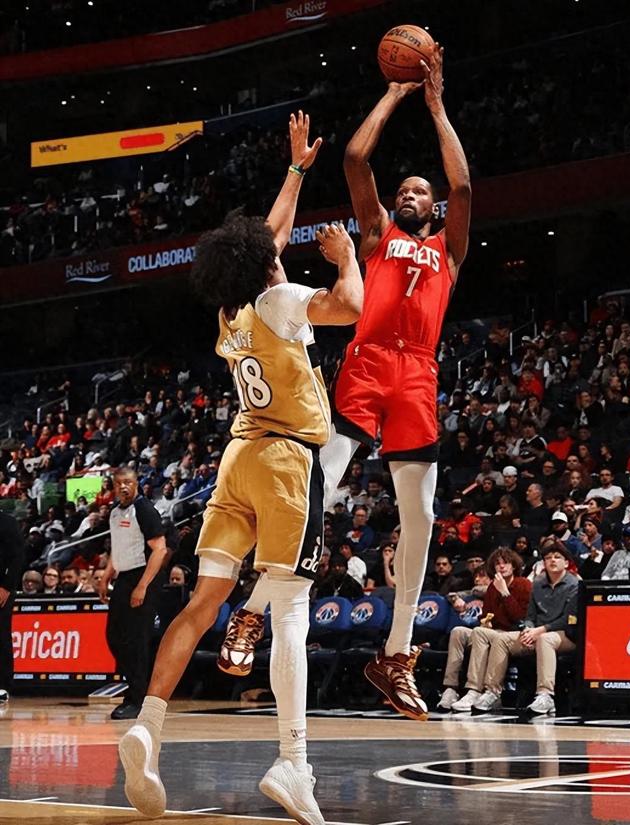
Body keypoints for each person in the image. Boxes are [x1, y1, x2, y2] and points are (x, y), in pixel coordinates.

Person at [119, 111, 362, 825]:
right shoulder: (283, 299)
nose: (277, 250)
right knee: (291, 610)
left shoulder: (232, 311)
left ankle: (149, 725)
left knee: (202, 604)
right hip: (287, 461)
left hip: (237, 460)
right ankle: (292, 761)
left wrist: (295, 171)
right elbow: (349, 305)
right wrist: (347, 256)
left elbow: (267, 238)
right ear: (265, 267)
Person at [225, 44, 471, 724]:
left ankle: (395, 656)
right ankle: (252, 610)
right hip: (368, 362)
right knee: (321, 486)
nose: (410, 195)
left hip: (418, 372)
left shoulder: (449, 248)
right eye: (404, 190)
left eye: (420, 191)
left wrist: (436, 107)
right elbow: (357, 159)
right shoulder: (376, 234)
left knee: (421, 516)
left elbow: (464, 188)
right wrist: (394, 93)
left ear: (435, 208)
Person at [475, 542, 579, 716]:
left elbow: (567, 620)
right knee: (501, 639)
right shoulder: (537, 584)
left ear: (566, 563)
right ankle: (492, 692)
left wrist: (539, 631)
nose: (552, 560)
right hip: (536, 632)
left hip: (565, 634)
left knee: (546, 639)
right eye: (548, 558)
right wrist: (528, 630)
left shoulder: (574, 584)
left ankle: (546, 695)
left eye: (557, 557)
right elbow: (530, 616)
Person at [100, 468, 167, 721]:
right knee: (115, 636)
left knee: (136, 639)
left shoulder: (144, 509)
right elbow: (118, 548)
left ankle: (138, 699)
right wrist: (107, 575)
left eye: (127, 482)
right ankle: (137, 687)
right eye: (118, 483)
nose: (123, 487)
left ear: (136, 484)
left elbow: (160, 550)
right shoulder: (115, 512)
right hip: (124, 576)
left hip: (143, 575)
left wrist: (143, 586)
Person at [446, 548, 531, 712]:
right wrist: (485, 622)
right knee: (458, 631)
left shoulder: (524, 584)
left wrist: (505, 592)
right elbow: (486, 615)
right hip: (492, 632)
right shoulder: (492, 587)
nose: (501, 566)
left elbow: (521, 618)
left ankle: (474, 690)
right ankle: (451, 688)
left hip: (513, 633)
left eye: (506, 563)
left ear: (514, 566)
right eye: (497, 564)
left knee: (479, 633)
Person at [0, 512, 25, 702]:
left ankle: (3, 685)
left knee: (1, 636)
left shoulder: (7, 521)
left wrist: (7, 587)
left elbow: (17, 556)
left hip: (1, 587)